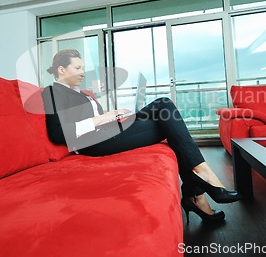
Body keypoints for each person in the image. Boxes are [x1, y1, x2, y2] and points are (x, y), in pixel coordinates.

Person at [41, 49, 240, 223]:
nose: (83, 72)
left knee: (163, 104)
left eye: (82, 67)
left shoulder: (82, 93)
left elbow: (94, 119)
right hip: (94, 143)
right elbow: (58, 134)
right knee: (167, 122)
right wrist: (103, 118)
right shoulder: (52, 92)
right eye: (77, 68)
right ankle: (200, 183)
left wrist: (113, 117)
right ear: (61, 70)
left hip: (107, 131)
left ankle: (196, 190)